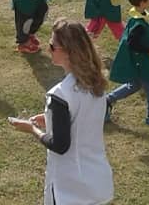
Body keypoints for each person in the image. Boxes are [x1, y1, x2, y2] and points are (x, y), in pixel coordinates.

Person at [8, 19, 114, 205]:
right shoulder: (96, 84)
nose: (48, 50)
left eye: (52, 46)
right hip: (97, 178)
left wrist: (32, 129)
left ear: (68, 52)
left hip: (70, 187)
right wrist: (50, 119)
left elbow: (60, 145)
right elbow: (84, 119)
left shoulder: (60, 95)